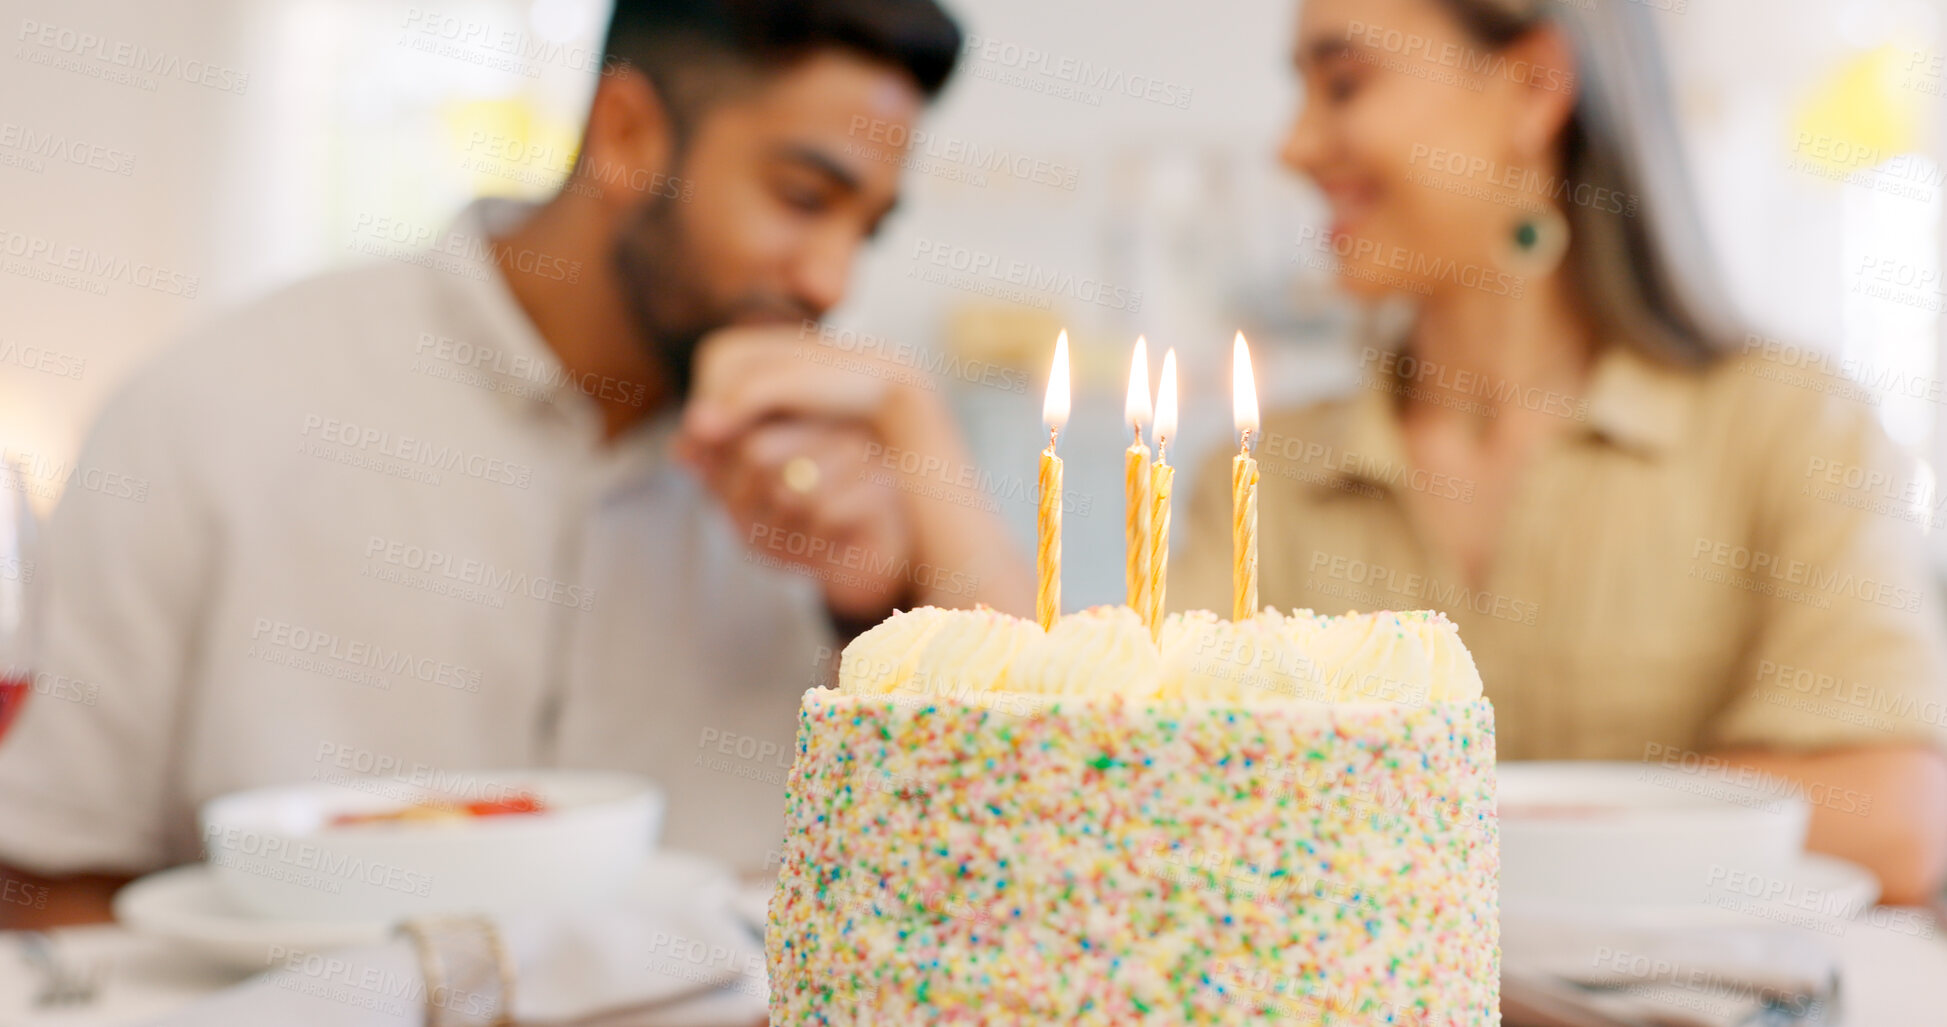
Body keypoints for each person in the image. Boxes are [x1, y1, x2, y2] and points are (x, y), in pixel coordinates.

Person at [0, 0, 1032, 928]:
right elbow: (44, 875)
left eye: (869, 229)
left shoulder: (842, 499)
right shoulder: (218, 408)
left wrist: (887, 588)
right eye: (804, 198)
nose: (832, 278)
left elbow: (1027, 873)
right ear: (626, 133)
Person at [1176, 0, 1947, 903]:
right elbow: (1146, 790)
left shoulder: (1789, 425)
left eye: (1344, 84)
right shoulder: (1260, 473)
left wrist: (1401, 829)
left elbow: (1891, 814)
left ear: (1533, 86)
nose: (1295, 146)